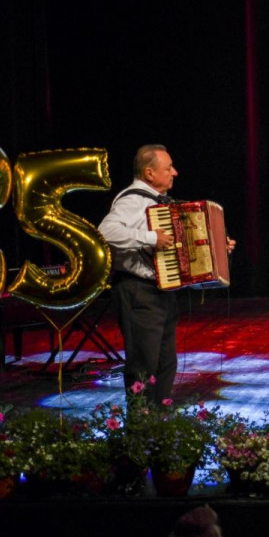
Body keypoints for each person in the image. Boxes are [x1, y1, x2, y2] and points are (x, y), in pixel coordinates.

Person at [99, 145, 235, 404]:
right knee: (143, 364)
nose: (175, 172)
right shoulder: (132, 200)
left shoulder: (161, 202)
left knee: (165, 364)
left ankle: (160, 419)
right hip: (137, 290)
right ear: (149, 173)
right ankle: (140, 422)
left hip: (161, 291)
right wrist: (151, 237)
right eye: (168, 168)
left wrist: (218, 246)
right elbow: (105, 232)